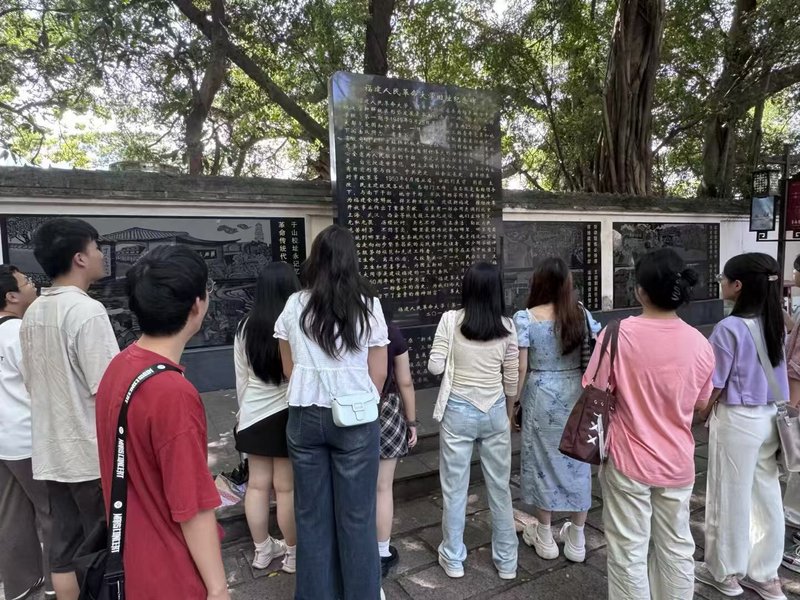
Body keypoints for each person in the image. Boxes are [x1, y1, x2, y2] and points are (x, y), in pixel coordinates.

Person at [95, 245, 229, 599]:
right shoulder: (172, 393)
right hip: (172, 573)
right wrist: (218, 589)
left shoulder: (120, 365)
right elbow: (192, 506)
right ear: (198, 305)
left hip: (131, 560)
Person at [585, 248, 714, 599]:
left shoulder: (617, 335)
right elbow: (701, 403)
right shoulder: (701, 344)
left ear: (639, 291)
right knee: (677, 546)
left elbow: (595, 388)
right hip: (678, 461)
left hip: (628, 459)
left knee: (628, 550)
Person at [275, 224, 389, 600]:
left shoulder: (295, 304)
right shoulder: (368, 305)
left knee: (311, 516)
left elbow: (288, 368)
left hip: (304, 416)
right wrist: (358, 400)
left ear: (316, 259)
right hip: (356, 419)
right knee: (357, 517)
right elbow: (379, 372)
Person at [19, 217, 120, 600]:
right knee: (103, 549)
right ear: (80, 258)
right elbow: (108, 390)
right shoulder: (86, 311)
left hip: (51, 452)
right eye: (96, 247)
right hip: (89, 455)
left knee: (63, 547)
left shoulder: (33, 312)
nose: (100, 255)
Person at [696, 252, 789, 600]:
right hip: (770, 417)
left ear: (737, 285)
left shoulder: (728, 328)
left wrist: (698, 415)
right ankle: (766, 574)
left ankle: (724, 571)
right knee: (767, 495)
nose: (720, 283)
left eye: (723, 278)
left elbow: (714, 383)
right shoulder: (775, 321)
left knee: (728, 496)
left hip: (737, 419)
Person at [428, 261, 519, 580]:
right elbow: (511, 378)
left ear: (467, 288)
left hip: (457, 411)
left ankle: (453, 557)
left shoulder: (450, 320)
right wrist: (508, 413)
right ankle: (507, 562)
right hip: (494, 410)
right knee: (500, 488)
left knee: (455, 489)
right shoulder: (508, 326)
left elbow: (435, 367)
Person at [512, 257, 594, 562]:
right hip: (576, 393)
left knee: (542, 462)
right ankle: (577, 538)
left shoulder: (525, 318)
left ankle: (545, 536)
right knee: (579, 460)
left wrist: (514, 403)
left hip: (540, 394)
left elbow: (521, 368)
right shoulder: (580, 314)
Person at [234, 262, 300, 573]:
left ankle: (262, 551)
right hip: (286, 414)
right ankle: (293, 555)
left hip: (253, 417)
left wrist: (243, 415)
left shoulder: (244, 327)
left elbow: (241, 379)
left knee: (257, 486)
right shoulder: (295, 323)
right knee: (286, 489)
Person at [0, 265, 54, 599]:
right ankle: (57, 583)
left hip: (4, 440)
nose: (33, 285)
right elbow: (43, 385)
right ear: (11, 296)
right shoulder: (20, 333)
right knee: (52, 513)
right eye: (27, 282)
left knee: (12, 513)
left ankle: (20, 585)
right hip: (28, 439)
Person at [376, 300, 418, 577]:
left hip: (350, 411)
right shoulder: (391, 331)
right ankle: (381, 551)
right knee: (382, 487)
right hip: (388, 411)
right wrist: (411, 422)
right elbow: (405, 381)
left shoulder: (346, 329)